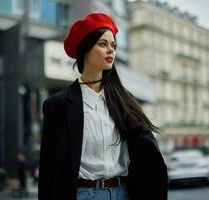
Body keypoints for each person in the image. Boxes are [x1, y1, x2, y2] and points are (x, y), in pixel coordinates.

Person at [38, 12, 168, 200]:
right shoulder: (58, 105)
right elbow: (49, 167)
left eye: (113, 45)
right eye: (103, 44)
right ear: (85, 50)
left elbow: (146, 153)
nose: (111, 50)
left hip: (123, 192)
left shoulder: (123, 100)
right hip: (83, 194)